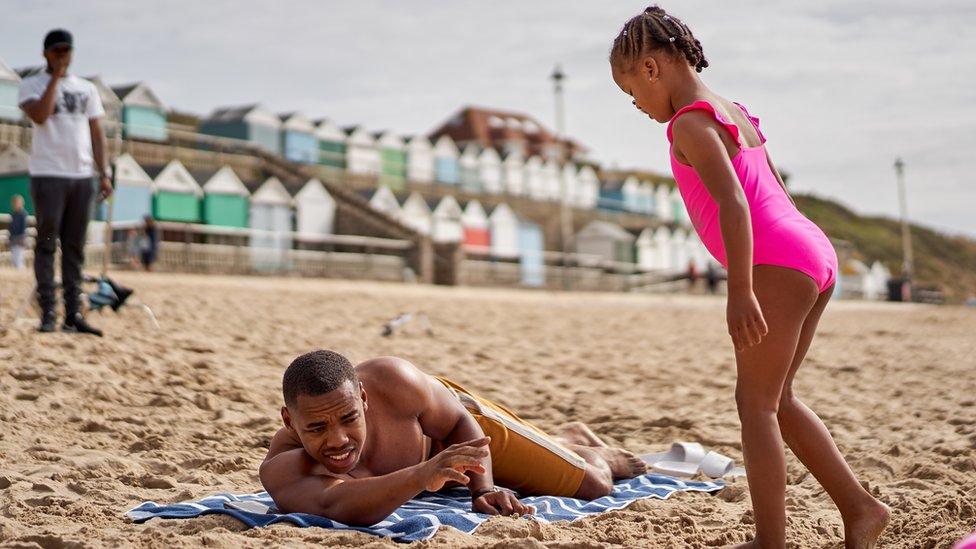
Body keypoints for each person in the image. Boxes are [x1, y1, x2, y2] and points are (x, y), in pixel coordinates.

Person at [608, 7, 888, 548]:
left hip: (776, 261)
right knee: (778, 398)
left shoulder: (688, 121)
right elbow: (773, 191)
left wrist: (739, 291)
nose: (637, 107)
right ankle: (860, 509)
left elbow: (735, 205)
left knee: (754, 405)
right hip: (810, 251)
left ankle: (770, 543)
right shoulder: (730, 110)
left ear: (650, 68)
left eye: (631, 93)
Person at [259, 350, 647, 526]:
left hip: (460, 430)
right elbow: (335, 504)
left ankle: (580, 445)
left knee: (596, 483)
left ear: (363, 398)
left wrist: (483, 489)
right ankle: (554, 442)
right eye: (316, 428)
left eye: (348, 418)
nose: (338, 439)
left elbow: (460, 423)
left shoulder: (396, 382)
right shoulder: (283, 467)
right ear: (289, 422)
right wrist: (421, 476)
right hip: (432, 463)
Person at [18, 29, 112, 336]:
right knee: (47, 243)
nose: (63, 56)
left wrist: (105, 172)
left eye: (67, 51)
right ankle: (48, 312)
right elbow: (41, 116)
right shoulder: (31, 84)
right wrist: (55, 79)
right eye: (57, 51)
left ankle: (74, 314)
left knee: (75, 247)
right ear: (45, 53)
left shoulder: (87, 89)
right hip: (48, 174)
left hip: (81, 176)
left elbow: (97, 133)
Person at [8, 195, 28, 269]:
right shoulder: (13, 214)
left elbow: (23, 228)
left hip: (20, 239)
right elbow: (11, 227)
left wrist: (22, 238)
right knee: (14, 258)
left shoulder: (23, 214)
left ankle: (21, 272)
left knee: (19, 258)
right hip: (13, 239)